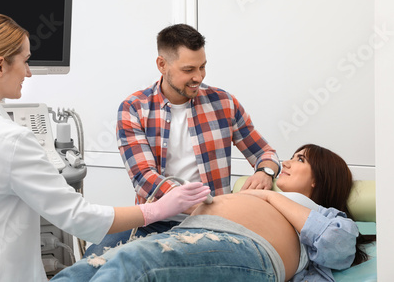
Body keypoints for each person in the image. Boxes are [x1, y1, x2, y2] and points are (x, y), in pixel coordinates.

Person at [0, 13, 211, 282]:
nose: (28, 72)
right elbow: (78, 217)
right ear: (0, 66)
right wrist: (157, 209)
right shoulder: (9, 139)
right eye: (26, 61)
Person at [85, 23, 280, 256]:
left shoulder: (224, 103)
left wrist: (265, 172)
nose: (198, 77)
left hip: (215, 223)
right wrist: (191, 202)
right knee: (94, 259)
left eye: (203, 67)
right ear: (161, 65)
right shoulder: (133, 108)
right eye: (188, 70)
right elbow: (143, 176)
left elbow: (264, 153)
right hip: (155, 221)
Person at [52, 144, 372, 281]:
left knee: (134, 264)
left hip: (249, 249)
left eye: (300, 160)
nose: (286, 162)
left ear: (320, 178)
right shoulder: (258, 190)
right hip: (192, 235)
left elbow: (337, 249)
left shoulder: (330, 217)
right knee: (86, 269)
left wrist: (272, 199)